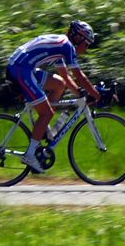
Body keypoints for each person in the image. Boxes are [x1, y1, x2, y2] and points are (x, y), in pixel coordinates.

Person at [6, 20, 101, 173]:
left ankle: (44, 128)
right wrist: (97, 95)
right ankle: (30, 155)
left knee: (59, 83)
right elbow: (79, 76)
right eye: (87, 44)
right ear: (78, 38)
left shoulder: (61, 44)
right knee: (47, 113)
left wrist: (82, 95)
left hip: (22, 66)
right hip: (21, 68)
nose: (86, 49)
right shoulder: (67, 46)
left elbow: (66, 77)